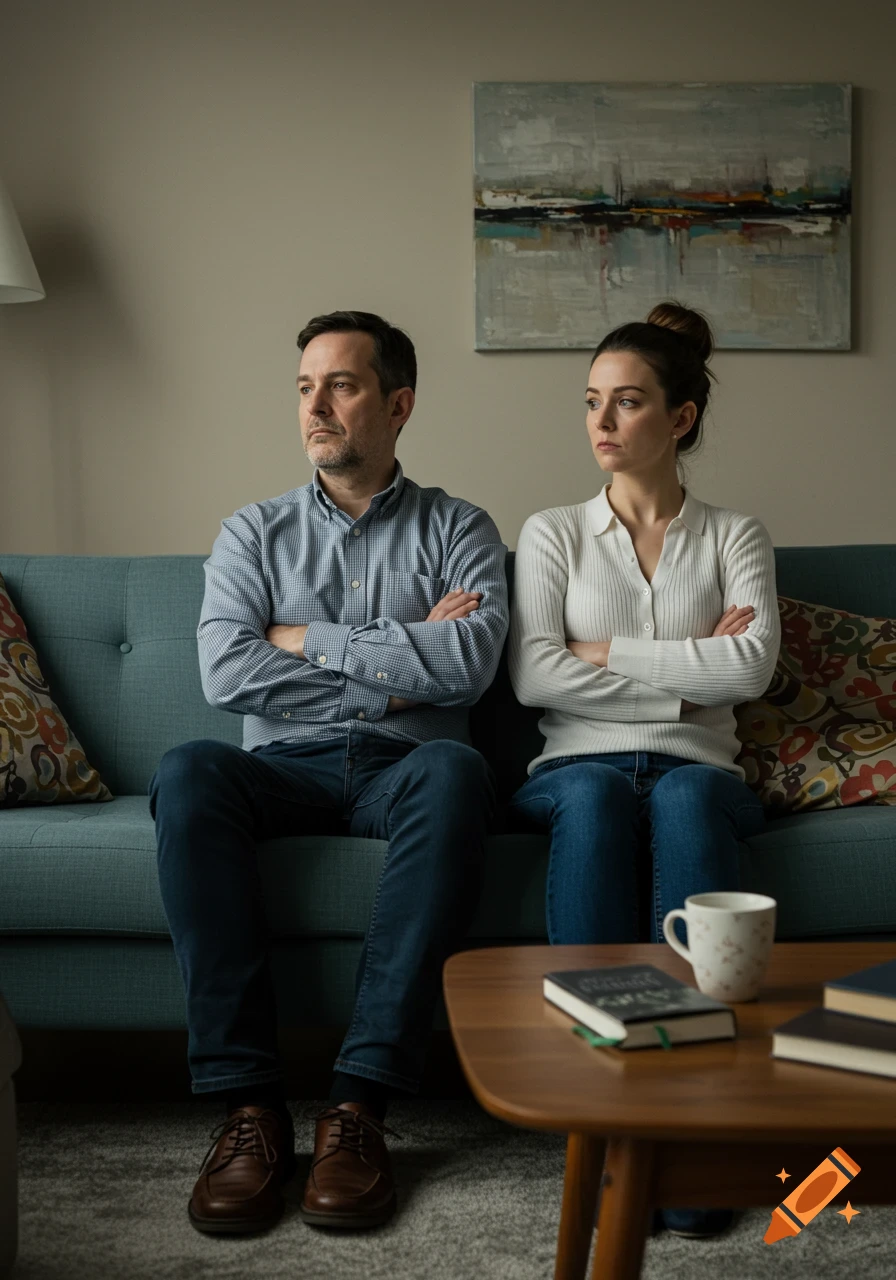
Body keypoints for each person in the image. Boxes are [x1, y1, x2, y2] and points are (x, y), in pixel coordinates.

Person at [150, 310, 508, 1235]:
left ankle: (358, 1109)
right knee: (189, 770)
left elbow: (467, 666)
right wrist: (396, 669)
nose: (316, 404)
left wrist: (306, 639)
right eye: (305, 386)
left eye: (341, 385)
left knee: (458, 770)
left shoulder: (461, 526)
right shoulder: (251, 533)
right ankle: (249, 1110)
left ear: (398, 405)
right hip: (279, 770)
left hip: (407, 769)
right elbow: (227, 673)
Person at [507, 300, 780, 1239]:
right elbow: (536, 672)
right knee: (590, 798)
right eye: (592, 402)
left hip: (702, 765)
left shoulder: (736, 535)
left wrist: (604, 652)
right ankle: (605, 1121)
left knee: (693, 797)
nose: (602, 422)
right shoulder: (550, 533)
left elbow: (750, 669)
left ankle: (699, 1120)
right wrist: (684, 677)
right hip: (571, 762)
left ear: (681, 419)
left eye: (626, 403)